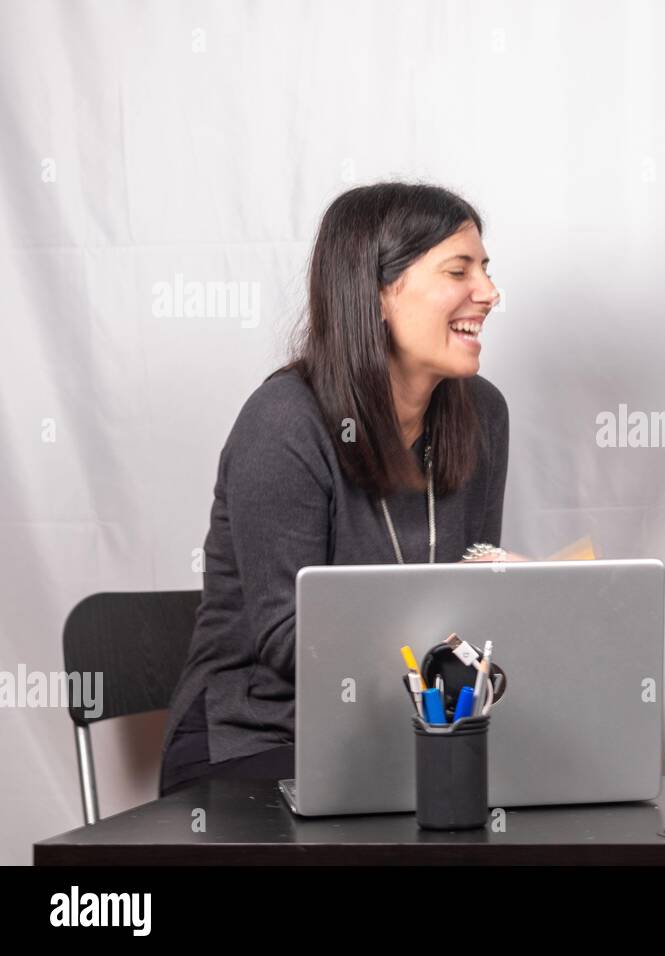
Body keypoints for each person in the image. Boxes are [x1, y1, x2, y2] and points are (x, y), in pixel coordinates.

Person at [159, 183, 508, 795]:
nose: (489, 292)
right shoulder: (284, 422)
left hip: (409, 732)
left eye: (486, 269)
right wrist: (450, 640)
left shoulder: (482, 414)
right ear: (374, 292)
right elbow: (292, 640)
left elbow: (470, 598)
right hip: (262, 737)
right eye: (460, 270)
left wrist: (520, 602)